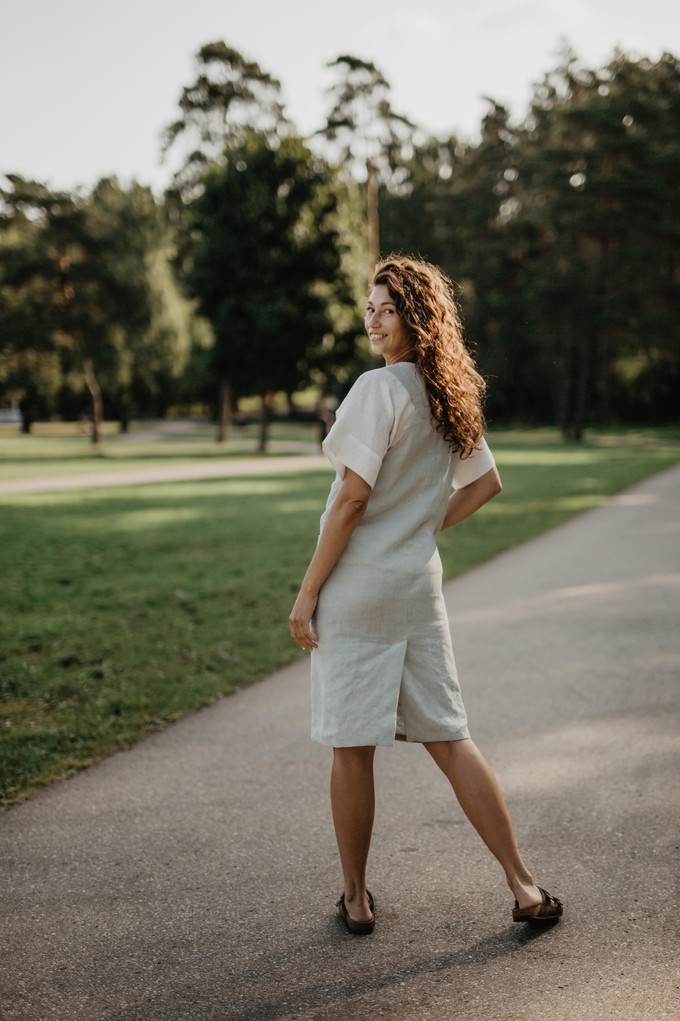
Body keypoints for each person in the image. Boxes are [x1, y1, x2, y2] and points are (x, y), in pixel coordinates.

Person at [289, 255, 562, 936]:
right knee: (450, 736)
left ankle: (356, 899)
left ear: (417, 317)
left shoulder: (376, 389)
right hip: (416, 590)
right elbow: (486, 483)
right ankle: (524, 885)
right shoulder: (447, 396)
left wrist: (307, 591)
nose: (373, 320)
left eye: (388, 309)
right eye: (370, 308)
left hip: (359, 591)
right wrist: (418, 526)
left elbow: (351, 501)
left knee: (352, 746)